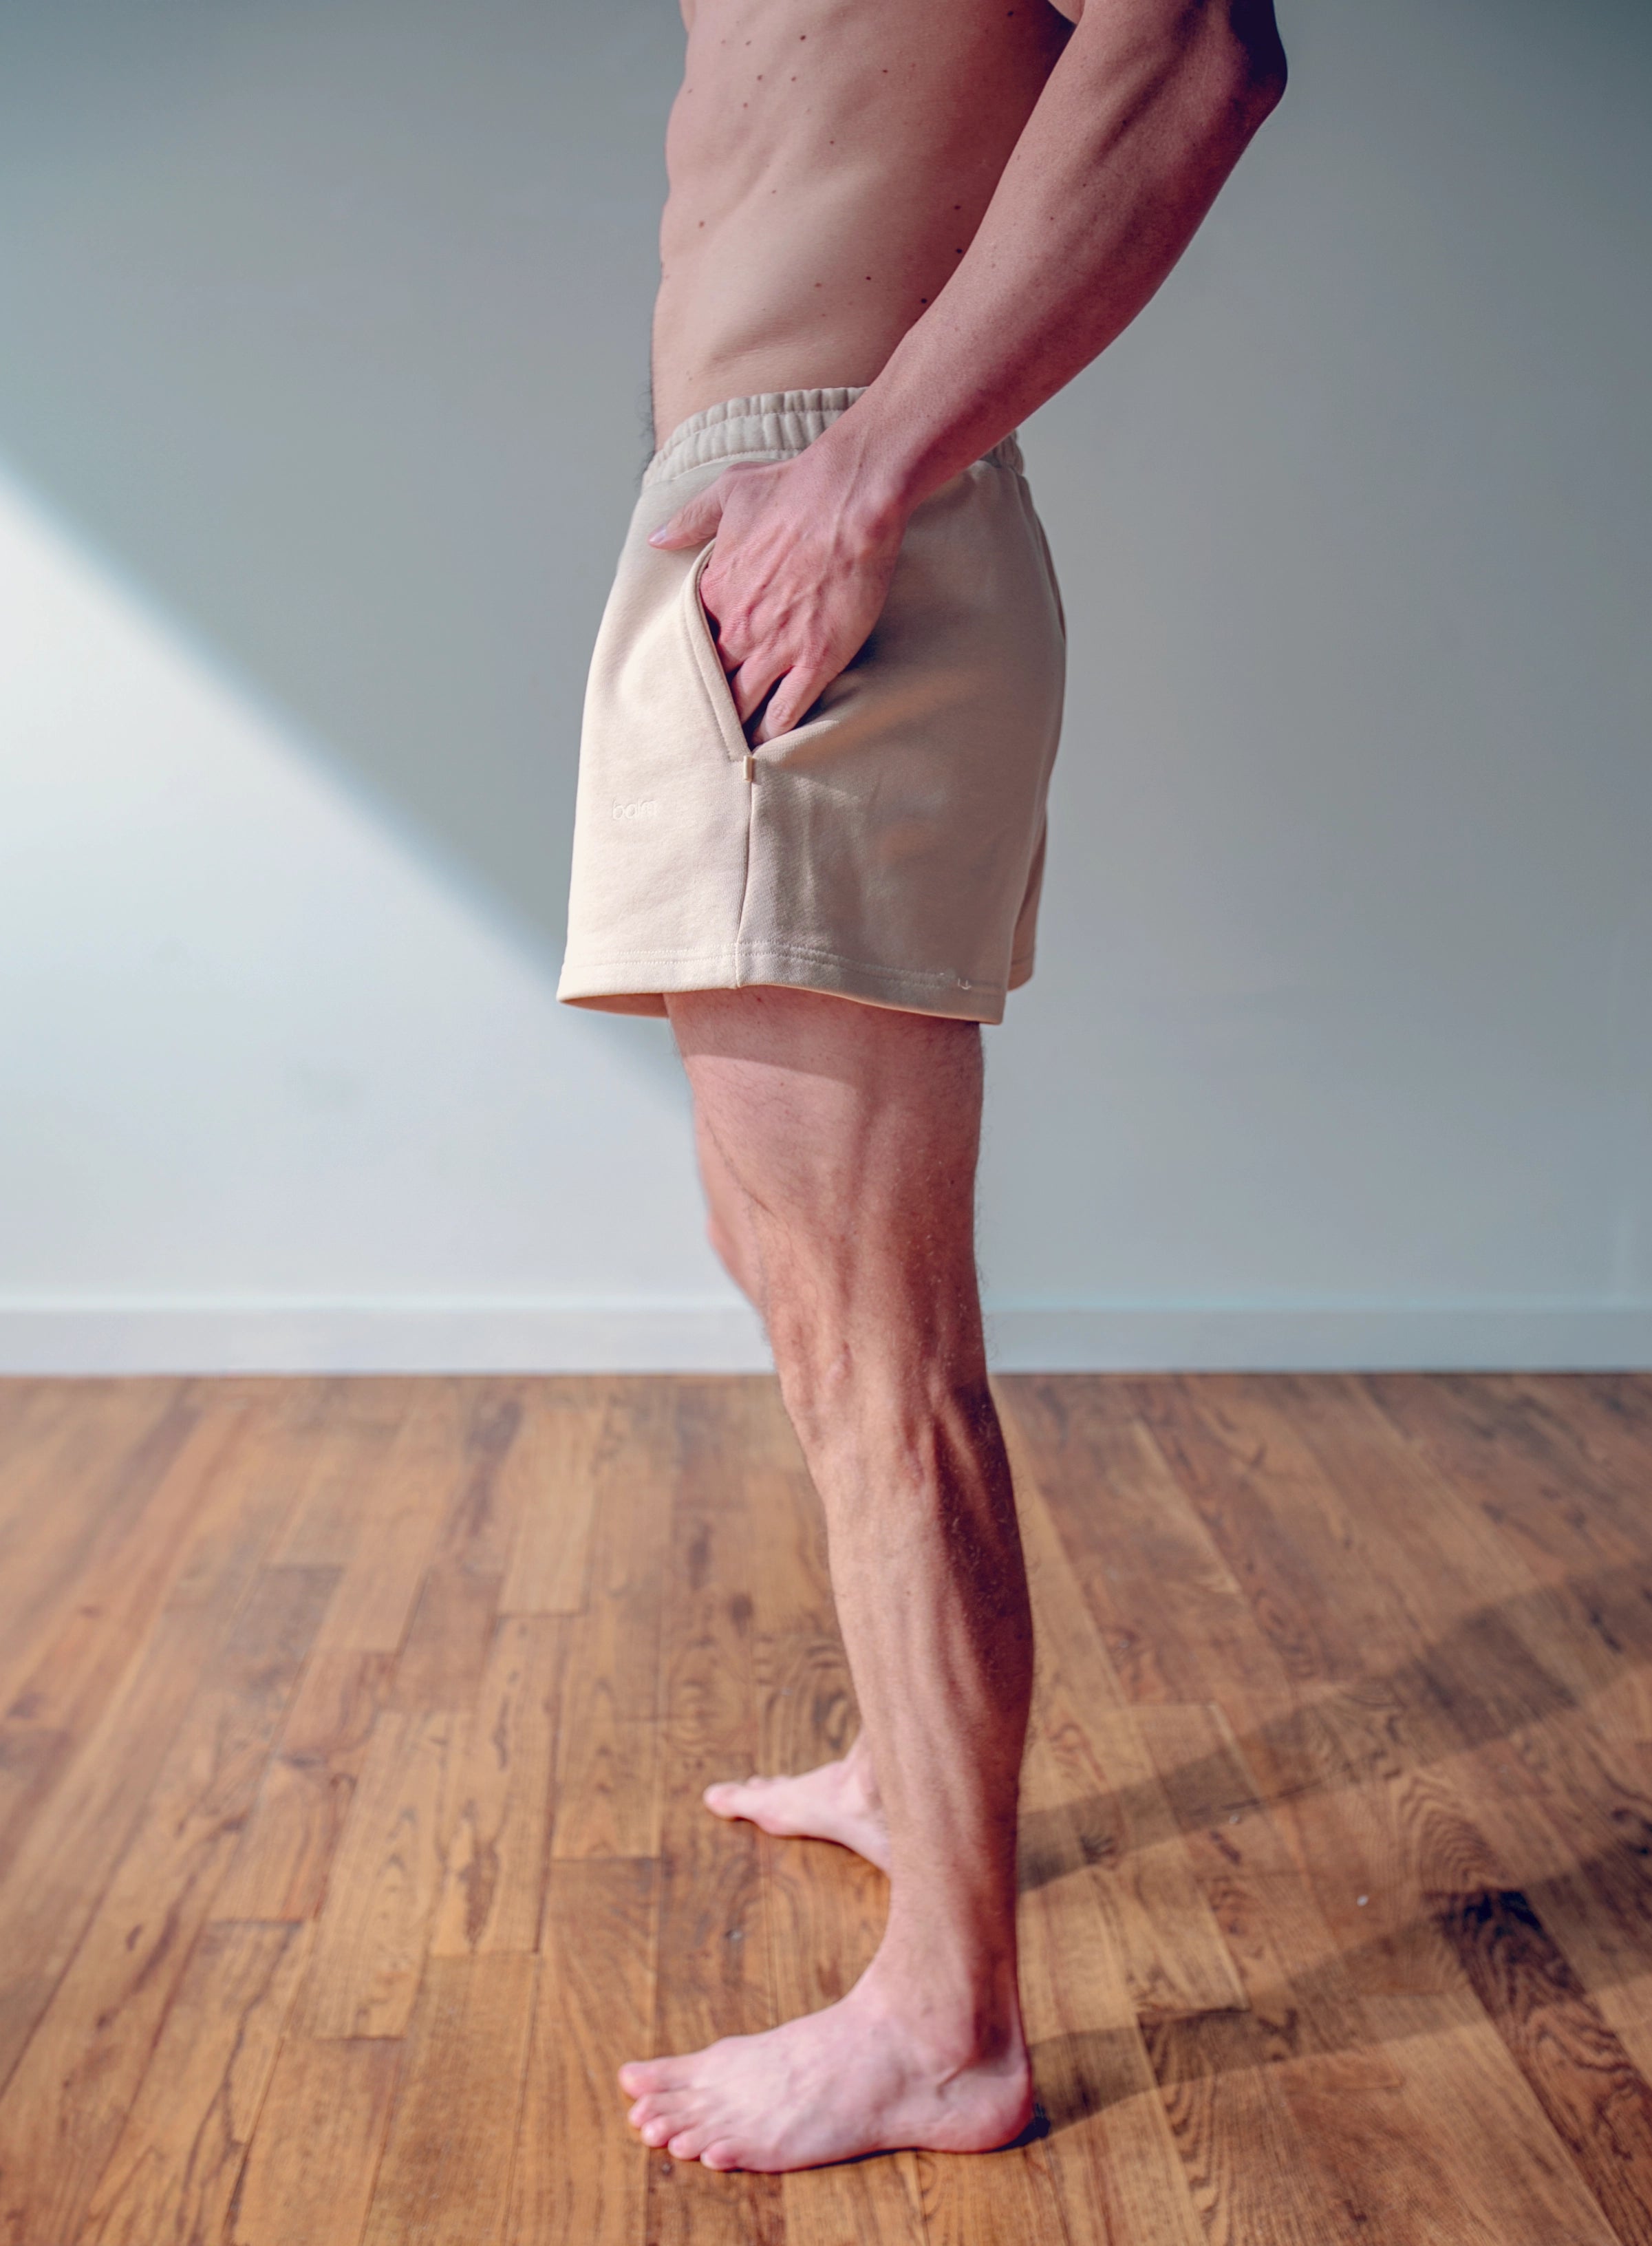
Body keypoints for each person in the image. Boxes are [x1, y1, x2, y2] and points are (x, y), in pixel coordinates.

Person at [557, 0, 1286, 2175]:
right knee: (785, 1265)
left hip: (828, 511)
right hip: (757, 512)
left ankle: (945, 2025)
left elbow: (1193, 45)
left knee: (878, 1335)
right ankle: (907, 1765)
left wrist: (863, 468)